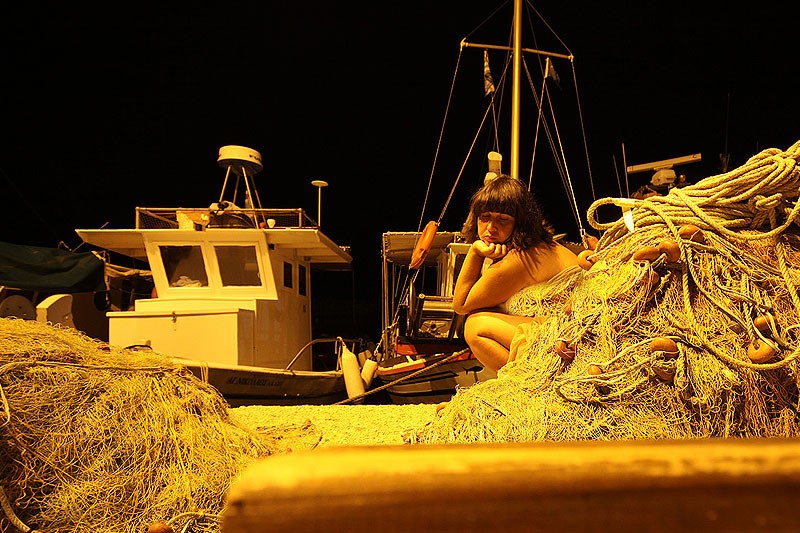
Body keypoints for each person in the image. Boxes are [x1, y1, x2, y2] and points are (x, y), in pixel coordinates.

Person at [452, 174, 579, 372]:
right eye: (485, 217)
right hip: (568, 332)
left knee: (475, 325)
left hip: (572, 338)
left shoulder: (522, 258)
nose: (491, 227)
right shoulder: (538, 246)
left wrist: (475, 252)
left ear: (521, 223)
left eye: (503, 220)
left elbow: (461, 305)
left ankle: (520, 383)